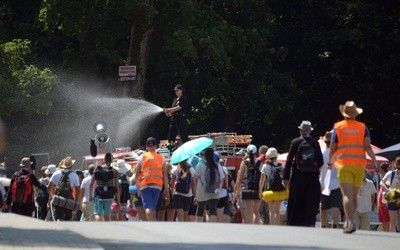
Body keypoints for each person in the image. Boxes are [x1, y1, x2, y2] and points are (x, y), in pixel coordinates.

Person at [328, 101, 379, 233]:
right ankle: (351, 221)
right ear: (356, 115)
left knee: (346, 195)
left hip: (343, 164)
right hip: (359, 165)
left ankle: (349, 221)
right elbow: (367, 146)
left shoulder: (338, 127)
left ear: (344, 115)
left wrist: (329, 162)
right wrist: (374, 160)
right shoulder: (363, 127)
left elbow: (333, 148)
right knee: (355, 195)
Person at [282, 121, 323, 227]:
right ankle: (309, 222)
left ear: (301, 130)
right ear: (309, 131)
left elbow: (289, 160)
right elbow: (321, 162)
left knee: (296, 200)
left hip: (298, 176)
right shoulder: (315, 143)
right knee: (311, 200)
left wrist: (285, 177)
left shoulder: (295, 142)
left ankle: (294, 222)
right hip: (312, 177)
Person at [135, 137, 169, 221]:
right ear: (156, 146)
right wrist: (167, 190)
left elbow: (136, 175)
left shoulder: (141, 158)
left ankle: (150, 223)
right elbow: (165, 175)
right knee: (153, 207)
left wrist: (138, 189)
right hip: (157, 186)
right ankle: (152, 223)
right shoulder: (162, 158)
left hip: (145, 186)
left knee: (148, 207)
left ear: (147, 147)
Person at [319, 131, 343, 228]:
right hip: (336, 183)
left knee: (323, 207)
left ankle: (324, 226)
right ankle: (335, 225)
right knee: (335, 206)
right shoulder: (338, 154)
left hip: (323, 183)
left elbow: (319, 168)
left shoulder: (321, 153)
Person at [194, 147, 224, 222]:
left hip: (202, 190)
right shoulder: (217, 165)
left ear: (205, 155)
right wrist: (218, 189)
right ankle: (211, 227)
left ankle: (199, 227)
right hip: (215, 190)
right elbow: (222, 178)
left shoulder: (200, 165)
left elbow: (195, 178)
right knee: (213, 209)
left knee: (200, 209)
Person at [234, 144, 262, 224]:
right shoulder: (260, 163)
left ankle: (250, 229)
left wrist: (237, 191)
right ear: (256, 152)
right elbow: (262, 178)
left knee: (249, 212)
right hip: (257, 189)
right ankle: (257, 228)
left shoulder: (244, 162)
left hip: (247, 189)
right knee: (257, 212)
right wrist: (261, 191)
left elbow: (240, 178)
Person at [89, 153, 120, 221]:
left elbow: (91, 184)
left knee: (98, 213)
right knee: (106, 214)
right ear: (111, 160)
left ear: (104, 160)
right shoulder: (115, 171)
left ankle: (99, 228)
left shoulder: (97, 170)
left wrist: (90, 196)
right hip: (109, 195)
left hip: (98, 194)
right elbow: (117, 187)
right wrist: (118, 200)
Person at [48, 156, 80, 221]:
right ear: (71, 166)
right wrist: (76, 201)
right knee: (68, 218)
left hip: (58, 198)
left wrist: (51, 196)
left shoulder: (56, 173)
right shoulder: (75, 175)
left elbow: (49, 187)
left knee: (59, 217)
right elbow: (78, 190)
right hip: (69, 199)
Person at [259, 147, 285, 225]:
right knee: (277, 211)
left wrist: (260, 192)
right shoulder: (281, 166)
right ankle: (277, 227)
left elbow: (262, 181)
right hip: (280, 190)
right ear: (276, 156)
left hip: (269, 190)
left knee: (271, 211)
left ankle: (272, 227)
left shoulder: (265, 166)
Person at [162, 84, 189, 153]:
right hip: (173, 119)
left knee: (183, 135)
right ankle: (170, 149)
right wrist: (167, 112)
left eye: (177, 90)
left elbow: (178, 107)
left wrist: (168, 109)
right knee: (171, 136)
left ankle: (186, 150)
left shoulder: (183, 99)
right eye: (175, 91)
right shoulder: (174, 100)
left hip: (181, 119)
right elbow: (171, 113)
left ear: (181, 90)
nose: (176, 92)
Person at [380, 156, 400, 232]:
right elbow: (381, 182)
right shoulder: (391, 173)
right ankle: (393, 239)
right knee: (393, 221)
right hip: (392, 197)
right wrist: (387, 190)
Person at [377, 163, 390, 231]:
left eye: (380, 169)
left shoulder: (388, 178)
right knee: (383, 224)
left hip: (385, 205)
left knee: (387, 224)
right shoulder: (383, 178)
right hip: (381, 205)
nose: (379, 170)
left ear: (383, 169)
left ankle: (388, 239)